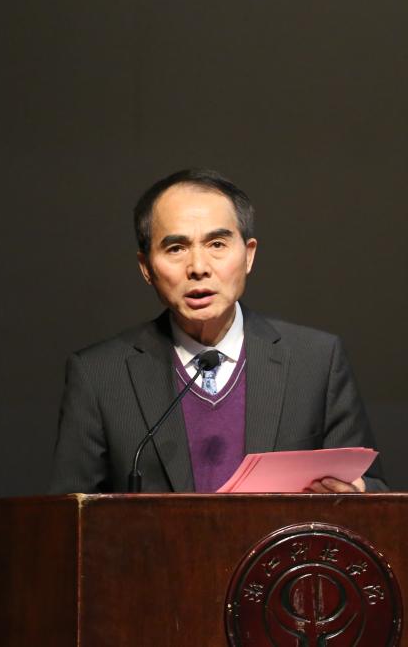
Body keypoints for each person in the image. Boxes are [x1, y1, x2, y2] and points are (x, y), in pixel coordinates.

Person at [48, 168, 386, 494]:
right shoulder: (99, 376)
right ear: (146, 267)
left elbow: (372, 489)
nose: (198, 267)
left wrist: (355, 494)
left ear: (249, 255)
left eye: (217, 244)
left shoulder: (315, 361)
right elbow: (70, 516)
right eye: (176, 249)